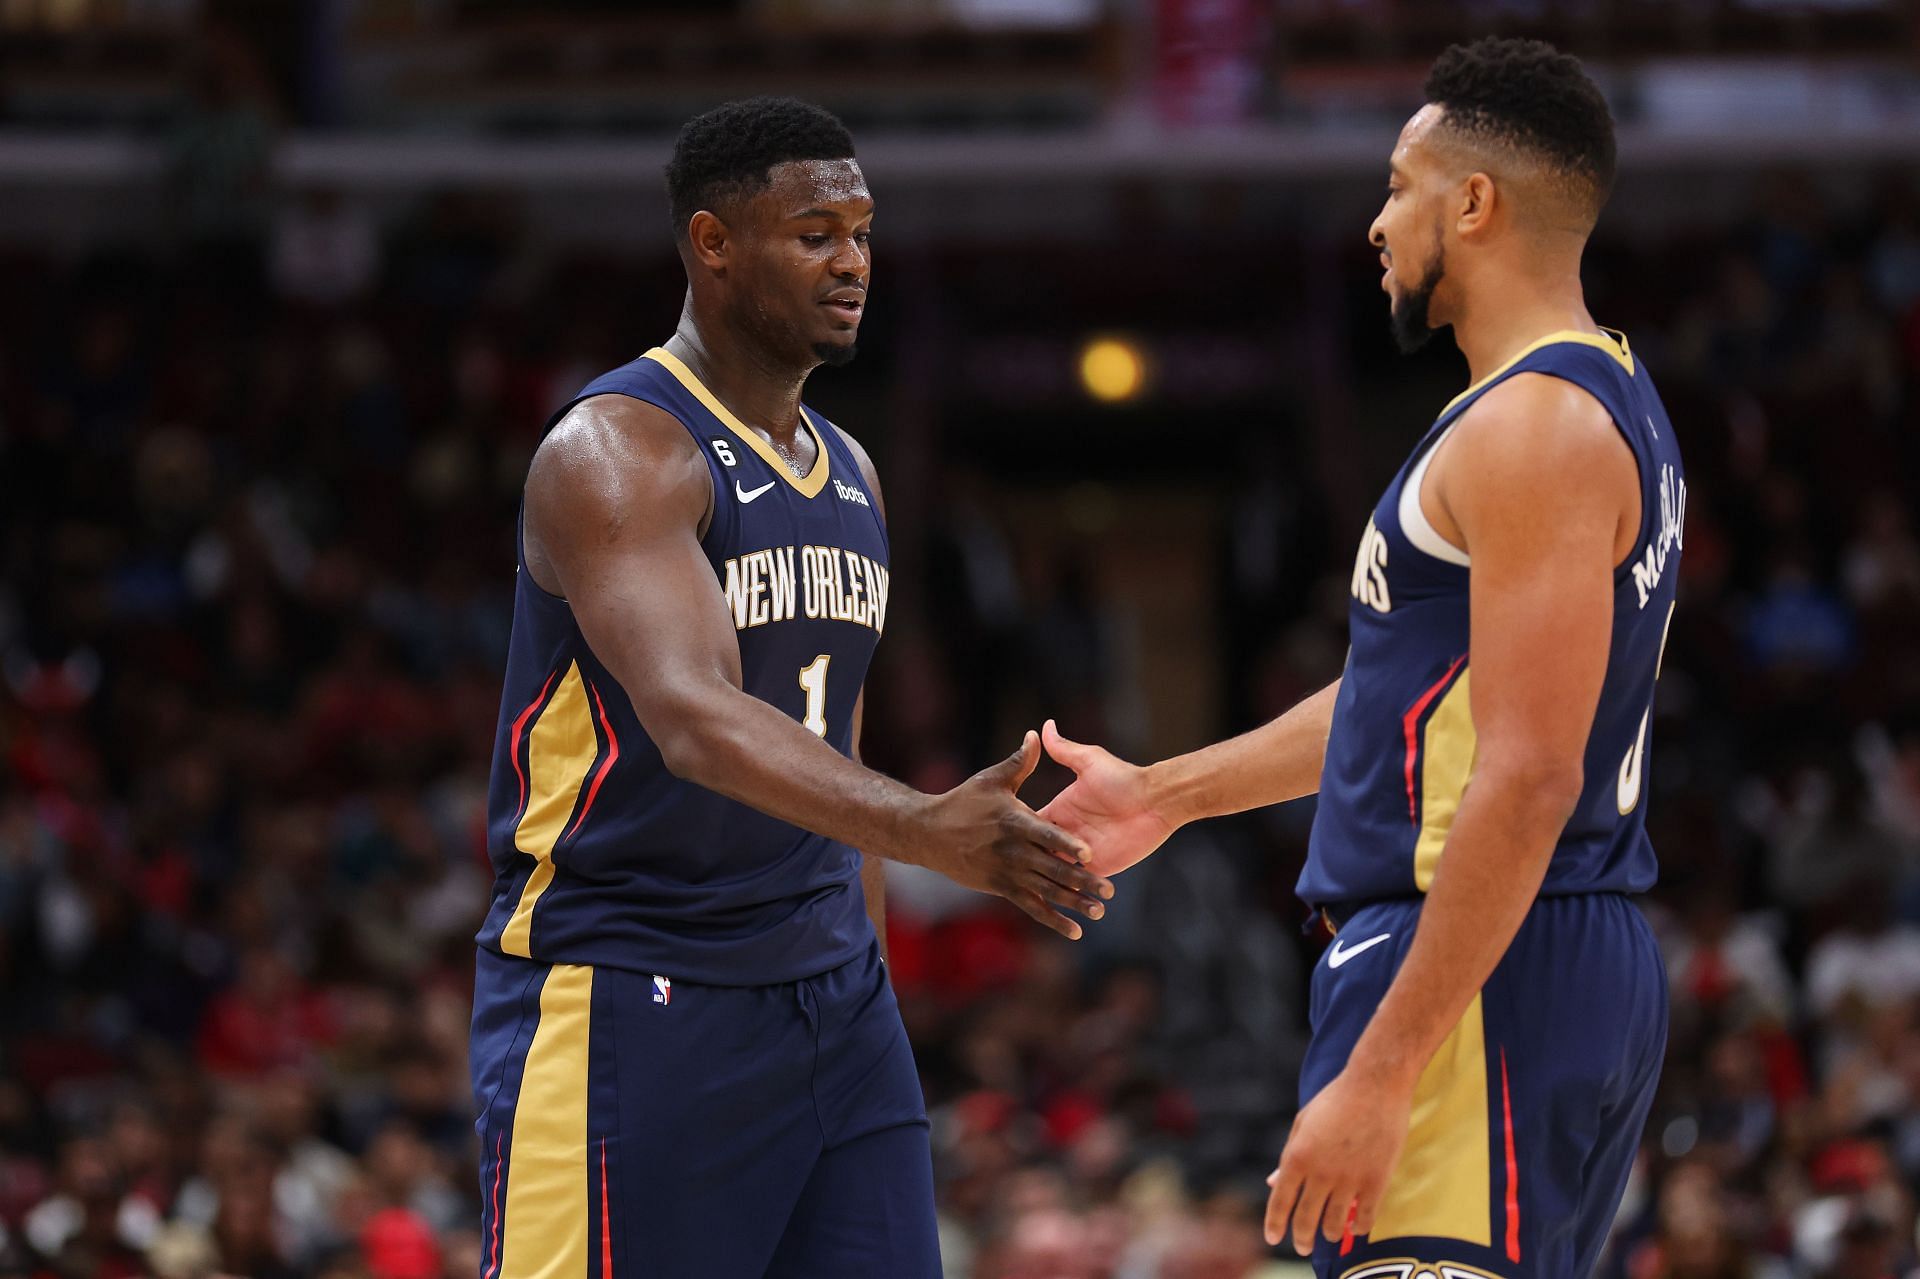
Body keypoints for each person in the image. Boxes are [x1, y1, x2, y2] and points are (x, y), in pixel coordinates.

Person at [1039, 39, 1682, 1279]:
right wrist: (1167, 795)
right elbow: (1404, 697)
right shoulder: (1579, 400)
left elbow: (1530, 774)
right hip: (1520, 959)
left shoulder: (1534, 426)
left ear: (1475, 203)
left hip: (1480, 965)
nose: (1379, 220)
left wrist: (1383, 1074)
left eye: (1399, 184)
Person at [467, 97, 1113, 1279]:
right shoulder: (619, 450)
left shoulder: (850, 467)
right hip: (635, 989)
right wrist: (924, 828)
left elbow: (836, 749)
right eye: (816, 234)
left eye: (863, 232)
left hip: (835, 1004)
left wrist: (868, 976)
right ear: (713, 244)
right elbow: (699, 721)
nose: (854, 261)